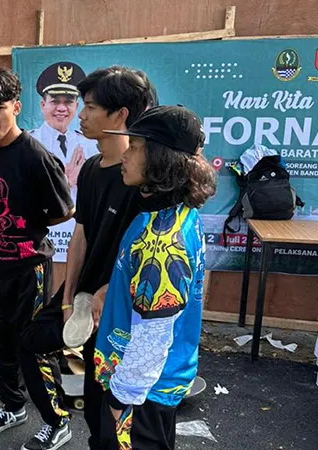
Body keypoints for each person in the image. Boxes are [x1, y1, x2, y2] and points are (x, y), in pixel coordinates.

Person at [0, 68, 75, 450]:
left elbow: (63, 210)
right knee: (1, 342)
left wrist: (27, 219)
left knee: (32, 345)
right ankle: (13, 406)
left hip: (30, 268)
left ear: (17, 107)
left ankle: (58, 421)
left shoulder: (36, 154)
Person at [95, 105, 216, 449]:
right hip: (153, 387)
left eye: (135, 147)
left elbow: (153, 339)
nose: (125, 156)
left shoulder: (162, 243)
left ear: (161, 158)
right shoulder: (171, 212)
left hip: (141, 395)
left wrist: (121, 400)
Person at [59, 66, 157, 450]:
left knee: (121, 419)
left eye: (90, 106)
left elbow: (143, 263)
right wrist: (69, 299)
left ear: (121, 116)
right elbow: (80, 234)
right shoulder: (89, 170)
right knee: (95, 407)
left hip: (123, 317)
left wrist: (107, 294)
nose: (80, 114)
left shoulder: (145, 184)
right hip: (88, 308)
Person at [28, 61, 97, 190]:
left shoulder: (89, 144)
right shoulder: (28, 144)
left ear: (76, 106)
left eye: (68, 102)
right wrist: (66, 181)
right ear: (43, 105)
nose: (61, 108)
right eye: (55, 101)